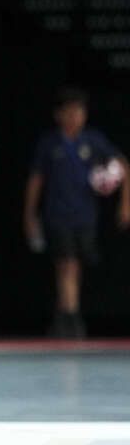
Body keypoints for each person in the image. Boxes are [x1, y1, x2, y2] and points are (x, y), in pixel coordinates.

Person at [24, 87, 130, 338]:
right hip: (57, 213)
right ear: (58, 115)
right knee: (66, 263)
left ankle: (65, 316)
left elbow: (123, 166)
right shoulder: (50, 143)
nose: (74, 117)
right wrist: (29, 214)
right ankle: (71, 319)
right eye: (68, 112)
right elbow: (36, 180)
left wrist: (125, 204)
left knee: (75, 266)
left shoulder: (93, 141)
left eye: (78, 112)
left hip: (85, 215)